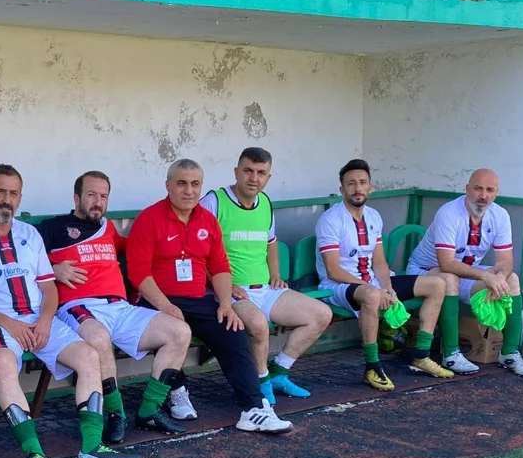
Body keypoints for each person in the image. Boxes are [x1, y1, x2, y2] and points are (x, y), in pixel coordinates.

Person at [0, 164, 142, 458]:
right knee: (3, 362)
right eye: (0, 191)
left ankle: (93, 448)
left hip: (38, 319)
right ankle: (35, 455)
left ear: (20, 198)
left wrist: (45, 320)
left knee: (89, 356)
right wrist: (8, 322)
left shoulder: (29, 234)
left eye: (13, 193)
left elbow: (49, 288)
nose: (7, 199)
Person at [126, 159, 291, 433]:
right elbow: (138, 272)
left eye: (195, 184)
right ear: (168, 186)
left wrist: (225, 304)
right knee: (174, 330)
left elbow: (220, 267)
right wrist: (165, 305)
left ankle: (253, 408)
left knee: (233, 329)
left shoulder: (207, 220)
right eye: (181, 183)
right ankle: (176, 391)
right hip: (156, 299)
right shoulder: (149, 218)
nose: (189, 190)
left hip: (199, 298)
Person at [38, 170, 194, 439]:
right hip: (79, 306)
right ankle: (115, 413)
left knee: (180, 331)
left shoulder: (108, 229)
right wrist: (52, 269)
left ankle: (150, 410)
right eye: (91, 195)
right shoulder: (53, 227)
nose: (98, 202)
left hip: (120, 307)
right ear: (76, 198)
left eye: (103, 196)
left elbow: (140, 250)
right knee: (99, 338)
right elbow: (21, 259)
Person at [201, 146, 333, 405]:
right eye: (248, 171)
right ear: (236, 171)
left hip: (264, 289)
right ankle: (261, 383)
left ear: (268, 177)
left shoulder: (265, 203)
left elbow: (271, 242)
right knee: (258, 324)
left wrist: (276, 274)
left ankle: (279, 372)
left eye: (261, 173)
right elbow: (197, 250)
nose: (254, 178)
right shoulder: (214, 201)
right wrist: (224, 286)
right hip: (231, 292)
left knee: (321, 314)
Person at [316, 159, 455, 392]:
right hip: (337, 286)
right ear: (342, 189)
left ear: (370, 187)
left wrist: (387, 287)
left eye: (363, 182)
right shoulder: (330, 219)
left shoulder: (373, 216)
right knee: (371, 296)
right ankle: (372, 366)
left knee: (437, 284)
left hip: (370, 282)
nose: (357, 188)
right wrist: (375, 290)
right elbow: (333, 270)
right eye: (351, 183)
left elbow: (379, 262)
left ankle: (421, 356)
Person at [406, 168, 523, 377]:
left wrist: (498, 279)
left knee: (511, 279)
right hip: (423, 271)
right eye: (478, 188)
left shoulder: (500, 215)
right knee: (450, 279)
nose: (483, 195)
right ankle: (451, 354)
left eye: (489, 190)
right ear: (467, 189)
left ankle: (509, 353)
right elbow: (446, 263)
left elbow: (505, 261)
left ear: (496, 193)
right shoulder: (449, 213)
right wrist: (486, 276)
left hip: (464, 273)